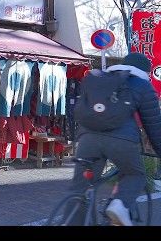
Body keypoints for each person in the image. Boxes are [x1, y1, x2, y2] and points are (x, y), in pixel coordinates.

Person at [69, 52, 161, 226]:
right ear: (145, 71)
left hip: (87, 138)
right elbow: (154, 126)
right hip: (121, 141)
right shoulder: (143, 85)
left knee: (80, 188)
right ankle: (119, 205)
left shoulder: (101, 80)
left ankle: (71, 221)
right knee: (134, 174)